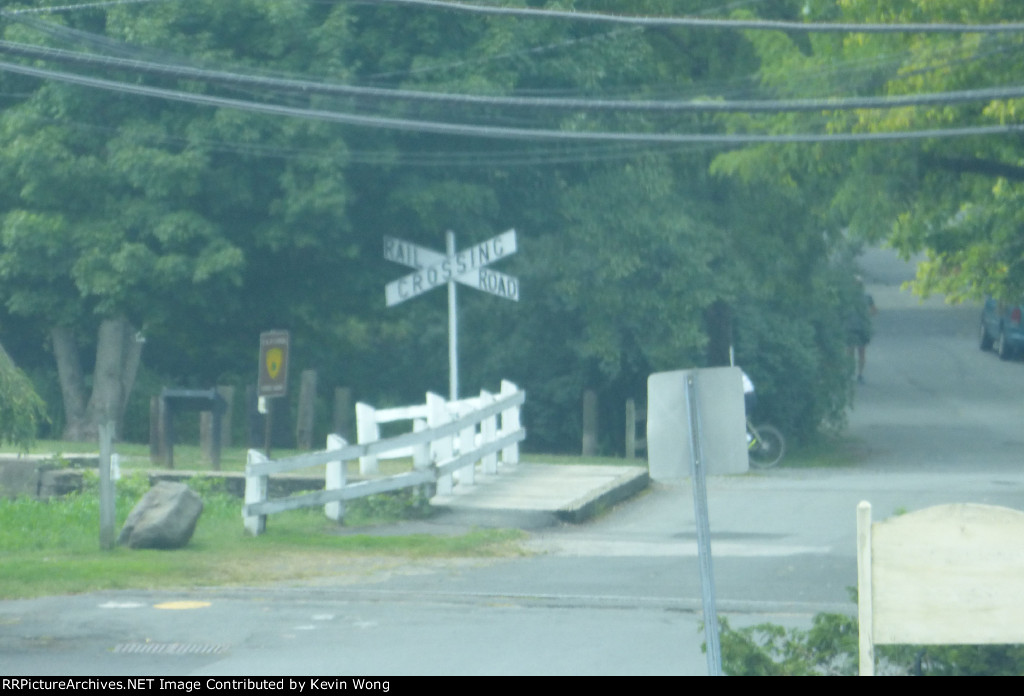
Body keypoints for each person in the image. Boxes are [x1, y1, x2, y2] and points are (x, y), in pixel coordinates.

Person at [846, 276, 877, 383]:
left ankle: (856, 374)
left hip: (855, 328)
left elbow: (874, 310)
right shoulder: (864, 297)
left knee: (856, 352)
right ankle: (855, 374)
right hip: (855, 327)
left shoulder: (850, 297)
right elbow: (874, 311)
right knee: (855, 352)